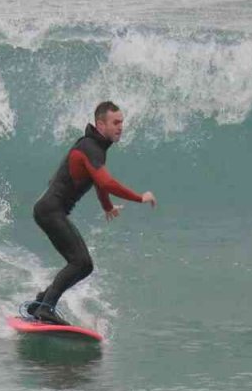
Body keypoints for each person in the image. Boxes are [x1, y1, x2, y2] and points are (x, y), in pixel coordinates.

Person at [27, 101, 157, 325]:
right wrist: (139, 197)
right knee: (81, 263)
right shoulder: (90, 147)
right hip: (51, 210)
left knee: (81, 263)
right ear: (100, 124)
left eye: (122, 122)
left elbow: (98, 182)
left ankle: (41, 303)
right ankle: (45, 307)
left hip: (50, 210)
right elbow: (106, 182)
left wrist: (107, 207)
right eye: (115, 122)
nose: (120, 127)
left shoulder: (96, 148)